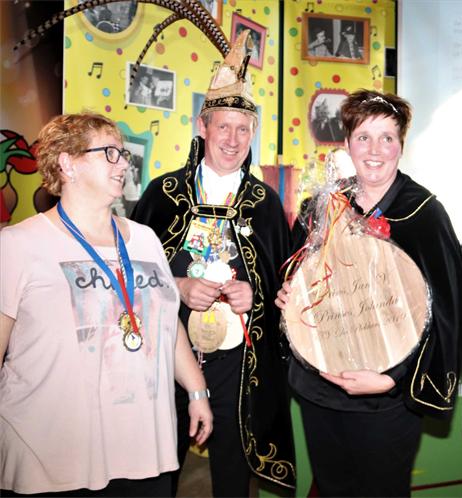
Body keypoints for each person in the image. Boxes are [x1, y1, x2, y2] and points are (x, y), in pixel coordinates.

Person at [0, 112, 212, 496]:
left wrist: (197, 391)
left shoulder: (145, 240)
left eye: (123, 153)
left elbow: (166, 321)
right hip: (51, 453)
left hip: (142, 447)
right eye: (109, 153)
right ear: (67, 163)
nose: (123, 163)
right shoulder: (19, 244)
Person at [276, 90, 462, 497]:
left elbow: (448, 314)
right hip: (321, 390)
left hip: (385, 400)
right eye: (363, 137)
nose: (375, 150)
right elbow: (296, 280)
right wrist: (289, 298)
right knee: (330, 489)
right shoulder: (320, 206)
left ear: (401, 146)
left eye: (387, 138)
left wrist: (391, 379)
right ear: (347, 144)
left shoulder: (424, 215)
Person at [130, 31, 296, 495]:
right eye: (223, 127)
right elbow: (129, 276)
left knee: (233, 474)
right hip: (168, 353)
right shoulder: (163, 194)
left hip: (236, 364)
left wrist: (254, 295)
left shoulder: (265, 203)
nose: (233, 139)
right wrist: (179, 287)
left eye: (243, 129)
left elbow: (282, 284)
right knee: (157, 469)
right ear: (202, 126)